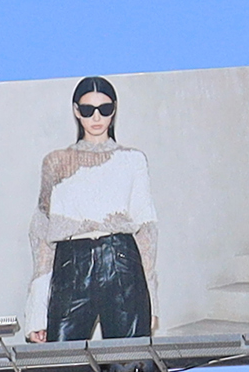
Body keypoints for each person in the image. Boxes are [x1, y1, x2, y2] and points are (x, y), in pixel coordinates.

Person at [23, 76, 158, 344]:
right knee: (60, 365)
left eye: (104, 109)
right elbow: (41, 236)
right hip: (71, 264)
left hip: (122, 262)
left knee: (127, 367)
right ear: (76, 111)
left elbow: (147, 233)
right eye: (87, 110)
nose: (96, 117)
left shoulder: (132, 160)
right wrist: (37, 311)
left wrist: (152, 300)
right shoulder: (56, 162)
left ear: (114, 109)